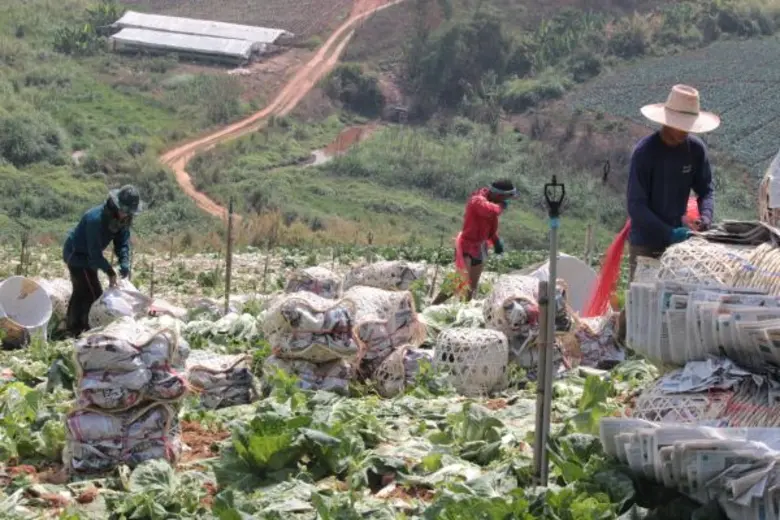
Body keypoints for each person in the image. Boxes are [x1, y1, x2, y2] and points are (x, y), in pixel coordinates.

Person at [627, 84, 720, 282]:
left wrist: (705, 218)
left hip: (679, 243)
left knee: (673, 301)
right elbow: (636, 206)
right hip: (646, 243)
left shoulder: (695, 150)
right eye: (681, 124)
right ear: (668, 122)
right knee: (642, 301)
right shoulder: (645, 153)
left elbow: (706, 190)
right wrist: (668, 232)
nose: (686, 129)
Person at [62, 185, 143, 337]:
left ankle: (73, 327)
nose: (125, 215)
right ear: (116, 204)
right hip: (77, 255)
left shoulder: (122, 219)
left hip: (89, 257)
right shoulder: (96, 219)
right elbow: (94, 254)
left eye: (128, 212)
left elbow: (122, 241)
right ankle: (87, 330)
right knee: (94, 294)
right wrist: (110, 272)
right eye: (123, 210)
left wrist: (124, 261)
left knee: (81, 289)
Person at [432, 179, 516, 304]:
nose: (504, 202)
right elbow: (490, 210)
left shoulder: (493, 203)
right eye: (504, 198)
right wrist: (500, 206)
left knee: (471, 288)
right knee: (459, 282)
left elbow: (491, 228)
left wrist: (496, 241)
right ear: (498, 195)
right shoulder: (477, 201)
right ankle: (433, 305)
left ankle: (463, 312)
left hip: (480, 247)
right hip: (467, 245)